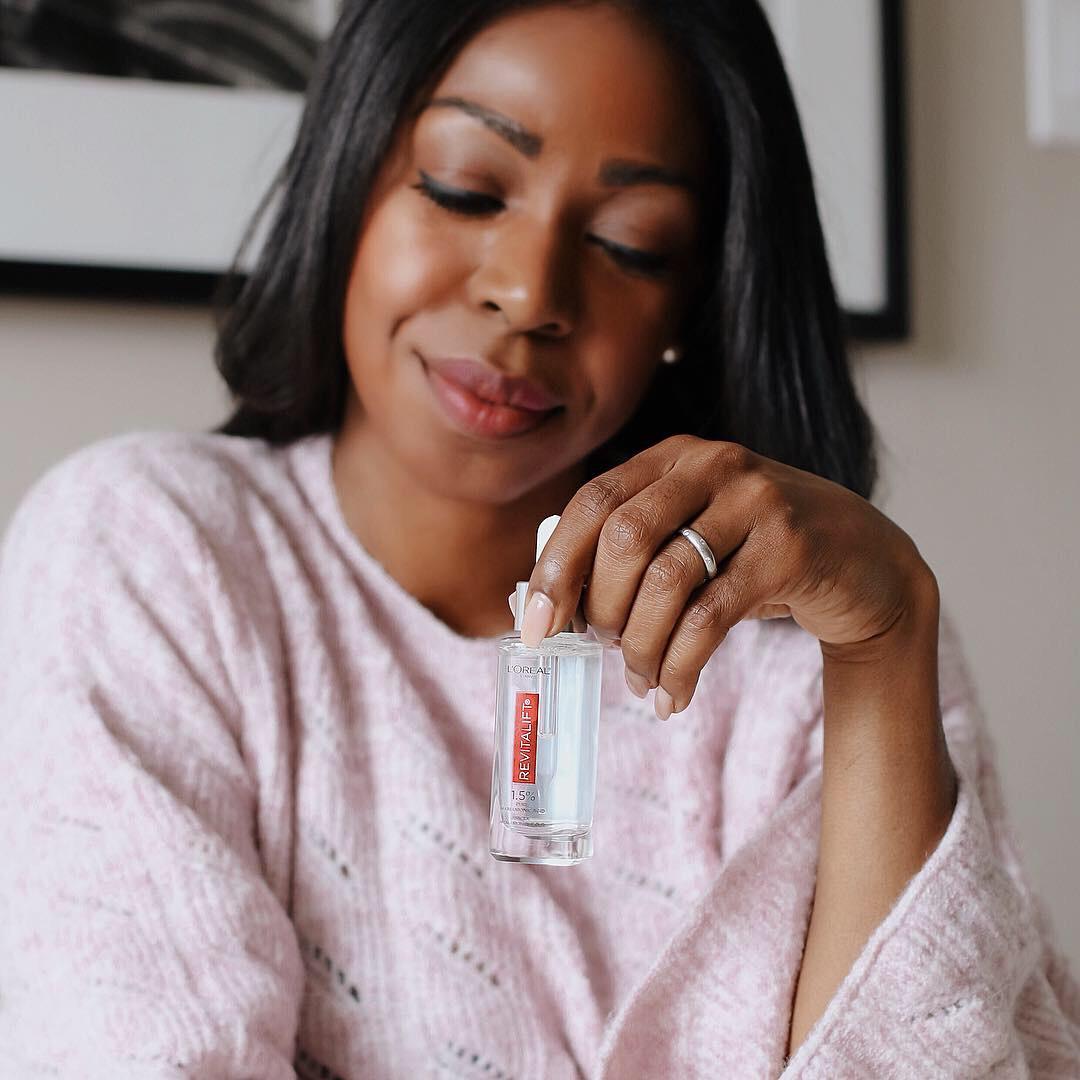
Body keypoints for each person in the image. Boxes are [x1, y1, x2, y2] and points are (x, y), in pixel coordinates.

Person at [1, 1, 1077, 1076]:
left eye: (630, 245)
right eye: (468, 188)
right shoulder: (145, 553)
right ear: (350, 171)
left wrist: (890, 644)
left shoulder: (823, 655)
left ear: (690, 307)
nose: (528, 294)